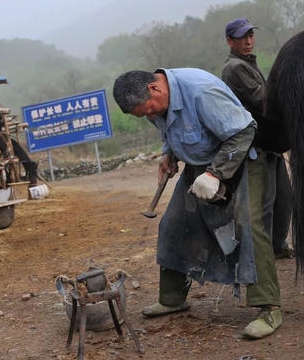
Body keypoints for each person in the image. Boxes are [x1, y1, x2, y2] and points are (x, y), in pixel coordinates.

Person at [113, 68, 282, 340]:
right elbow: (170, 130)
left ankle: (269, 308)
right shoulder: (154, 102)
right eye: (145, 115)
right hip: (199, 165)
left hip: (240, 159)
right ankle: (172, 298)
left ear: (154, 89)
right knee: (173, 224)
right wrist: (168, 154)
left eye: (148, 111)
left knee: (247, 225)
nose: (150, 117)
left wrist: (216, 173)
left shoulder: (201, 92)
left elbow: (244, 132)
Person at [221, 18, 293, 259]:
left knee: (284, 195)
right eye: (242, 37)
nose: (249, 41)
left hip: (270, 139)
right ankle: (263, 252)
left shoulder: (247, 63)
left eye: (251, 35)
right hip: (257, 141)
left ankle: (277, 245)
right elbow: (263, 101)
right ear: (230, 41)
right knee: (267, 199)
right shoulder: (234, 67)